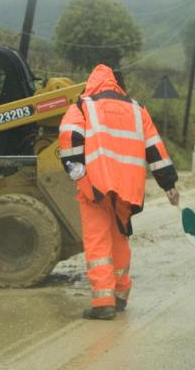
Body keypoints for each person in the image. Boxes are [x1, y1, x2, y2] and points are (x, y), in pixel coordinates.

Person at [59, 64, 179, 320]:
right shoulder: (137, 110)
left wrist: (78, 173)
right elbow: (155, 150)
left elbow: (68, 136)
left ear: (92, 83)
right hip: (127, 188)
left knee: (98, 239)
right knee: (119, 238)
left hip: (96, 185)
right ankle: (120, 295)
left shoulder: (83, 106)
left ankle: (104, 303)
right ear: (117, 84)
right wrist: (169, 184)